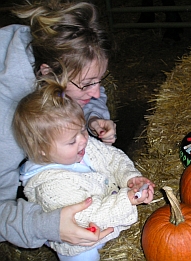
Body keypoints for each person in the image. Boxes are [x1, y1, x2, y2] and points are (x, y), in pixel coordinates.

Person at [0, 0, 118, 251]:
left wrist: (92, 118)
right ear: (47, 74)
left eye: (99, 80)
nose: (96, 92)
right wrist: (47, 225)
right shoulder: (5, 124)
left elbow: (83, 90)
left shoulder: (52, 56)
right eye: (87, 84)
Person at [12, 78, 155, 261]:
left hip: (109, 208)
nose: (83, 140)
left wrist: (129, 177)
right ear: (42, 149)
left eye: (82, 129)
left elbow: (112, 158)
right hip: (82, 241)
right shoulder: (50, 186)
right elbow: (85, 218)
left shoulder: (80, 145)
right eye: (72, 140)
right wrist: (127, 200)